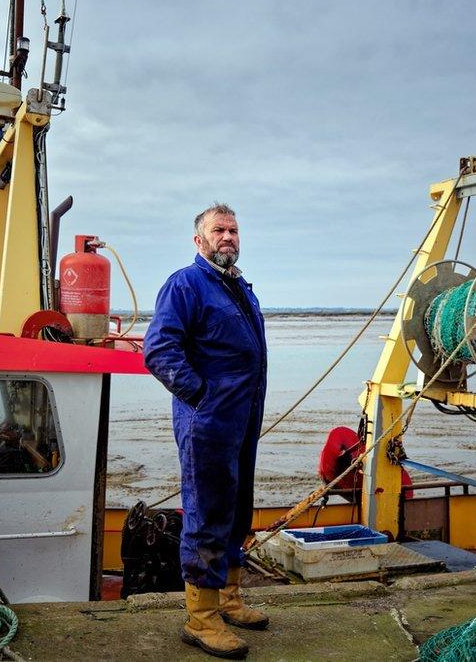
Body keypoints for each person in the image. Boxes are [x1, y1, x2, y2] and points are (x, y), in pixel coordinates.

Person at [144, 203, 268, 659]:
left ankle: (229, 598)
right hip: (208, 421)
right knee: (207, 510)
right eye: (219, 230)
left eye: (234, 229)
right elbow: (158, 350)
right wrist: (200, 397)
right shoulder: (186, 284)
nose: (229, 236)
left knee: (237, 509)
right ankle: (201, 618)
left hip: (242, 420)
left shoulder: (237, 286)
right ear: (199, 240)